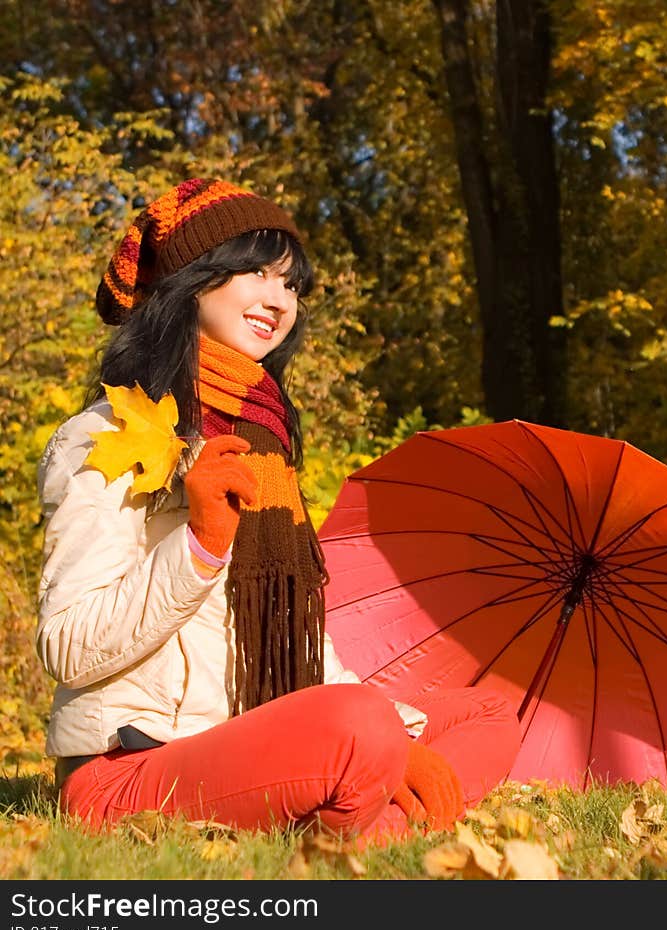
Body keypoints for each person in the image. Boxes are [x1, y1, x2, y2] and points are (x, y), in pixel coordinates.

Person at [35, 177, 521, 843]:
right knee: (361, 727)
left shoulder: (265, 440)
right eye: (257, 273)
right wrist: (200, 545)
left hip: (255, 740)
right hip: (133, 767)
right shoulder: (104, 437)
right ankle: (377, 816)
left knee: (488, 710)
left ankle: (372, 830)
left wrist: (398, 731)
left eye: (291, 284)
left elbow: (302, 646)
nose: (279, 300)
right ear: (193, 280)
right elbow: (68, 648)